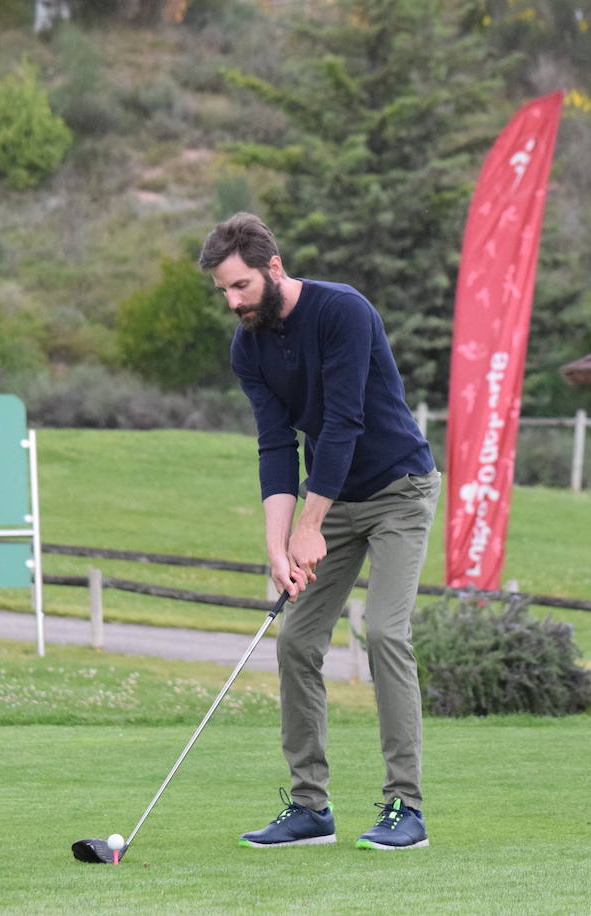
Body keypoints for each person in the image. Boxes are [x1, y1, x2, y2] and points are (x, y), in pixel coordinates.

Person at [199, 213, 441, 851]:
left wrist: (311, 526)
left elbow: (343, 423)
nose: (233, 301)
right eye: (223, 290)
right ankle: (310, 807)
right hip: (332, 501)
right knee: (297, 640)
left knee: (386, 632)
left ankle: (404, 808)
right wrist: (278, 549)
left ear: (273, 268)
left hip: (398, 491)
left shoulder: (344, 312)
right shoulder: (247, 347)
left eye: (241, 286)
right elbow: (277, 447)